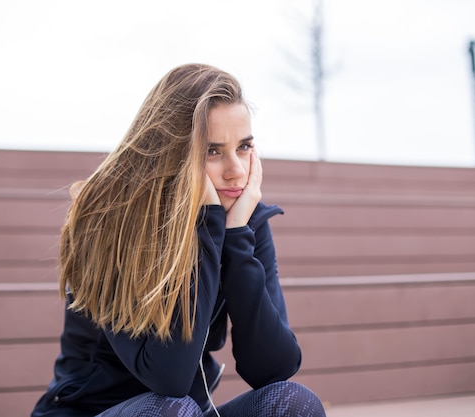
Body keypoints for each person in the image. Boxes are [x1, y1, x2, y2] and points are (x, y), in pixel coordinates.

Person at [31, 63, 326, 417]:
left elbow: (273, 369)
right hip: (96, 412)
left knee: (294, 402)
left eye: (244, 147)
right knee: (173, 409)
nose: (237, 170)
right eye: (212, 151)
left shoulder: (244, 222)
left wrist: (234, 239)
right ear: (174, 153)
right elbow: (169, 377)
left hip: (183, 410)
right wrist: (209, 227)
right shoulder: (110, 224)